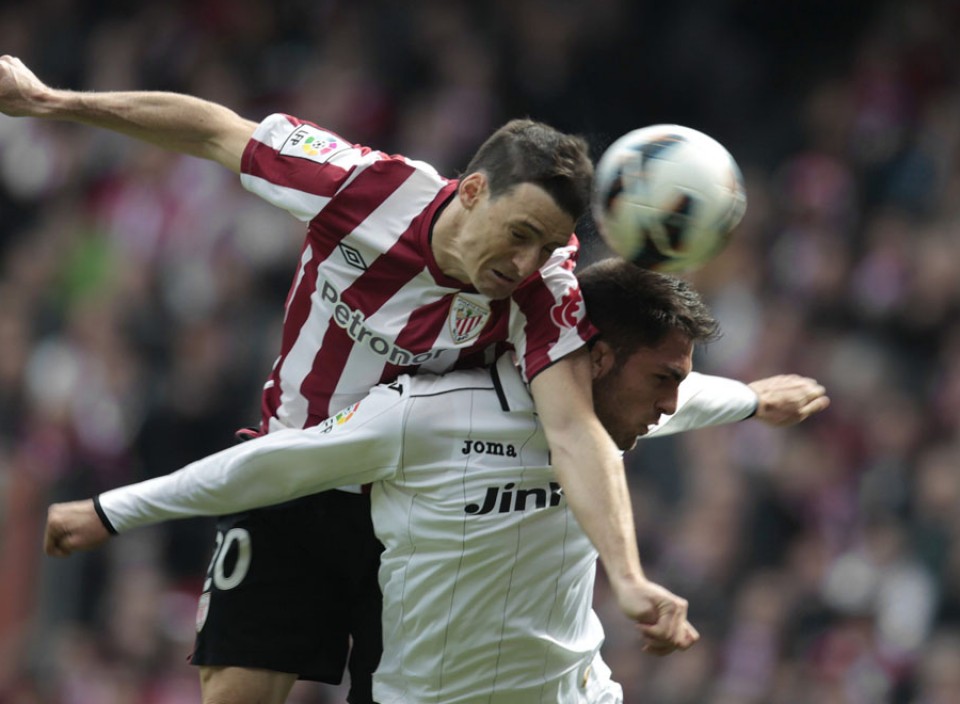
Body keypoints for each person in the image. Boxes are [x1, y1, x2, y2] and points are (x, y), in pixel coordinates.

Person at [0, 55, 829, 704]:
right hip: (292, 474)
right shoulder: (360, 189)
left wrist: (629, 575)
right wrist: (52, 102)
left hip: (412, 510)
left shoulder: (548, 290)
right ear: (470, 192)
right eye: (521, 233)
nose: (528, 262)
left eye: (549, 245)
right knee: (239, 690)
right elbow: (217, 130)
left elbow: (579, 425)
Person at [46, 260, 830, 702]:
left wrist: (759, 400)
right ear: (595, 358)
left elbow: (699, 397)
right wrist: (111, 513)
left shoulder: (624, 410)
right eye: (661, 378)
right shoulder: (424, 415)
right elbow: (267, 465)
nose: (669, 403)